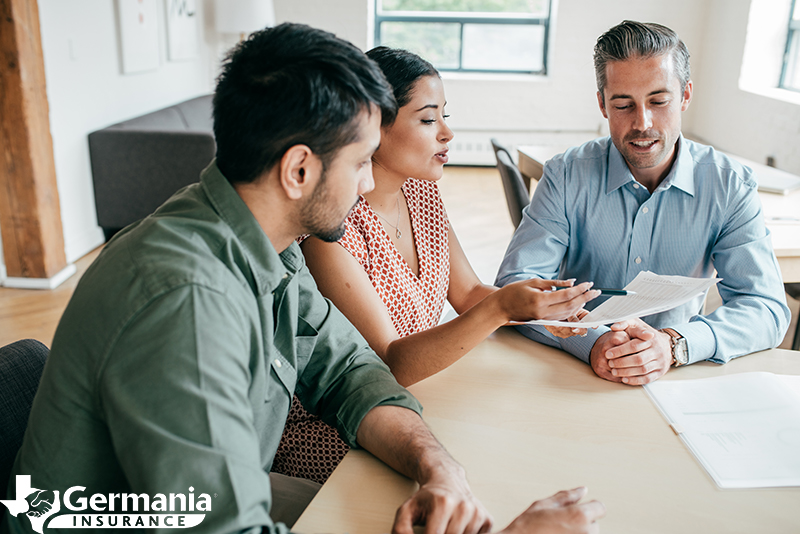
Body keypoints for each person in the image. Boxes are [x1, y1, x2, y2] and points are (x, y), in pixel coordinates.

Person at [2, 24, 605, 534]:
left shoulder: (269, 239)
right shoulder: (184, 299)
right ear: (298, 169)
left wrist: (437, 468)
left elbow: (350, 374)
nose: (370, 185)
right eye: (362, 161)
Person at [272, 46, 600, 484]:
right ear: (373, 128)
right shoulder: (329, 230)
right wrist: (502, 309)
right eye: (428, 119)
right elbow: (390, 365)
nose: (447, 133)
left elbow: (466, 293)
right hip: (340, 424)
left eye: (445, 115)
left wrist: (538, 304)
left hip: (425, 391)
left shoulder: (421, 192)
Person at [495, 20, 790, 386]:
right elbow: (514, 285)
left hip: (678, 376)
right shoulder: (566, 175)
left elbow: (766, 308)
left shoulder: (729, 185)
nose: (642, 123)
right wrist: (594, 342)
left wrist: (675, 344)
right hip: (573, 374)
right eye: (623, 104)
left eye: (659, 101)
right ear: (603, 104)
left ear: (685, 96)